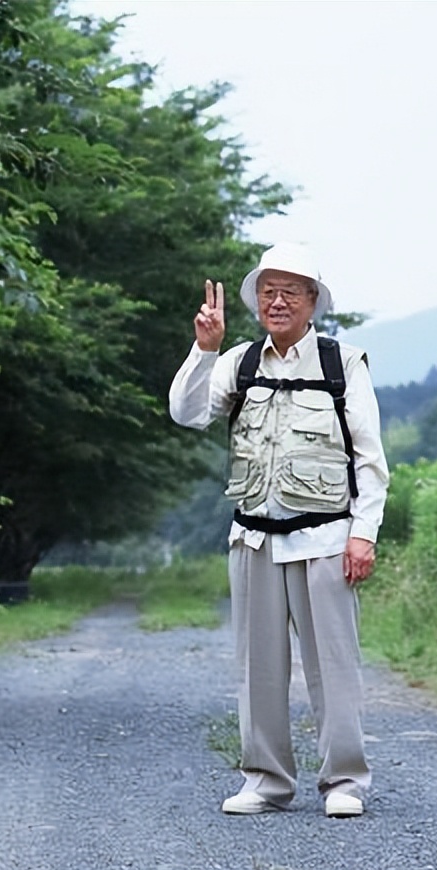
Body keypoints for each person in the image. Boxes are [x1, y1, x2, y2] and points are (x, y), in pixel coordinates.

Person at [168, 243, 388, 819]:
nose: (278, 300)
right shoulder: (238, 362)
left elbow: (369, 461)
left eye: (292, 290)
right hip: (253, 540)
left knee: (334, 665)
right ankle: (265, 780)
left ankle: (344, 781)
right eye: (269, 290)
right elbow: (186, 414)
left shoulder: (343, 364)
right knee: (257, 667)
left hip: (325, 541)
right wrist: (203, 350)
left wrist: (363, 533)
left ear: (313, 301)